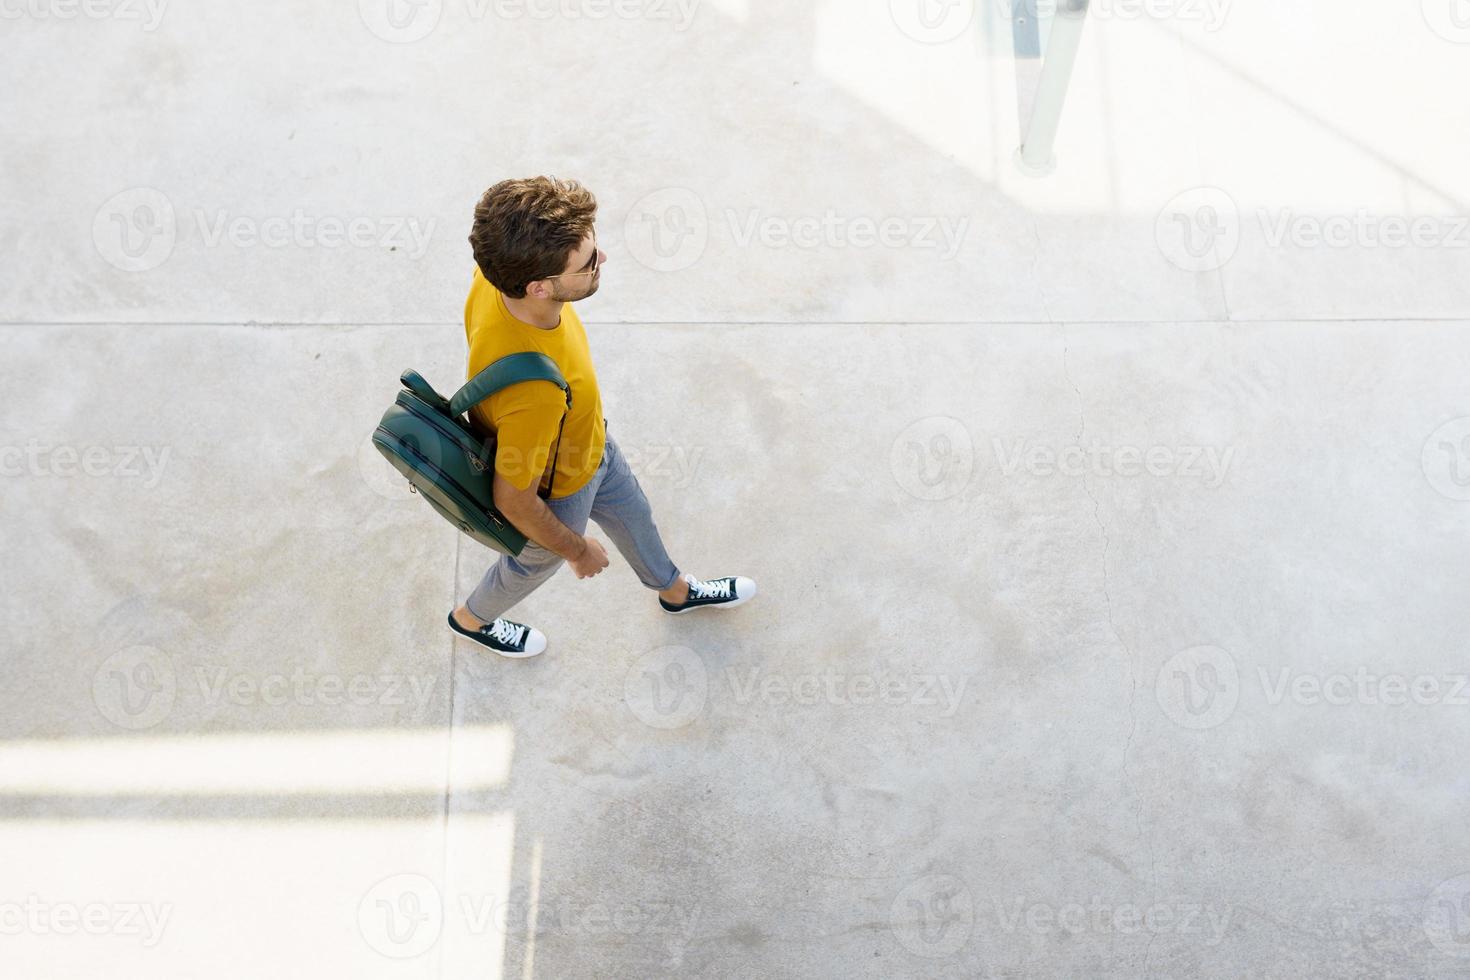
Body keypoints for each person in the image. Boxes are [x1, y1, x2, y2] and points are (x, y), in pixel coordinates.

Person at [446, 176, 756, 658]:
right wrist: (577, 549)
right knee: (531, 564)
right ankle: (470, 619)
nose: (603, 260)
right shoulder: (536, 393)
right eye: (587, 262)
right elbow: (514, 498)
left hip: (591, 446)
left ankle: (675, 593)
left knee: (637, 518)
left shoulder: (492, 278)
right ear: (539, 286)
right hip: (562, 484)